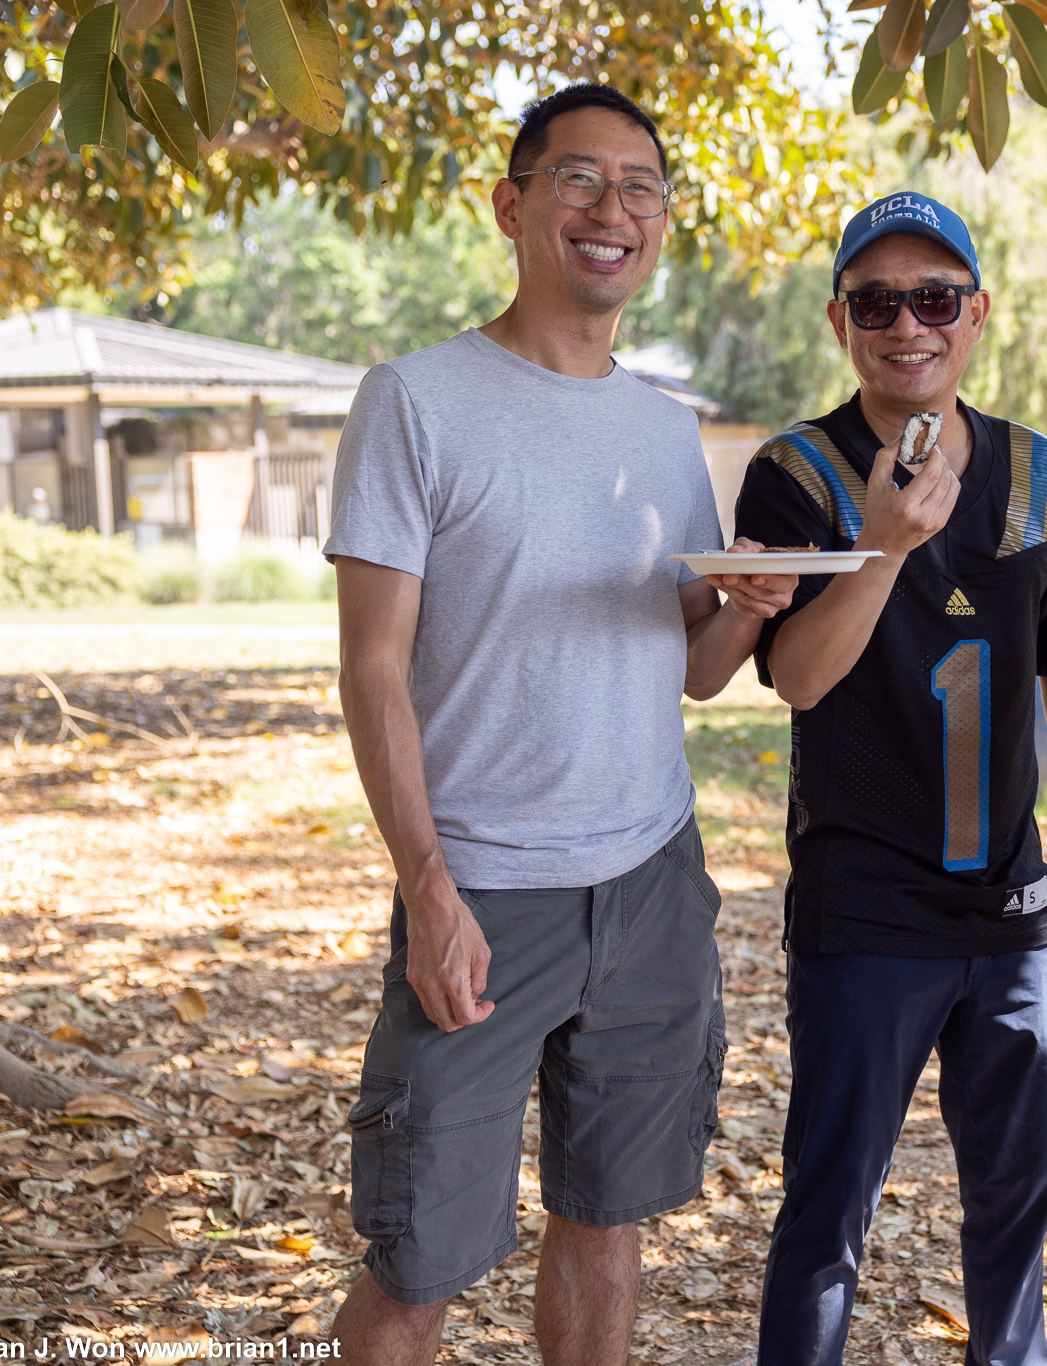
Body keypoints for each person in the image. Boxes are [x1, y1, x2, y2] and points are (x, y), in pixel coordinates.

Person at [321, 83, 796, 1366]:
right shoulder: (415, 400)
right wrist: (425, 885)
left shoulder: (663, 430)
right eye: (579, 180)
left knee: (606, 1220)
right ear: (511, 204)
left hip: (649, 885)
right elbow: (372, 669)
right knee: (419, 1257)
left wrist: (746, 606)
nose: (611, 211)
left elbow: (692, 671)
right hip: (480, 889)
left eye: (640, 188)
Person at [732, 191, 1047, 1366]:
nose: (908, 324)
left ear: (976, 314)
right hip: (864, 914)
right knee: (827, 1214)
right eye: (876, 301)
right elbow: (794, 677)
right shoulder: (795, 472)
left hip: (1009, 918)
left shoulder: (1036, 475)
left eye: (933, 298)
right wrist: (884, 545)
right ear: (840, 319)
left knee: (1014, 1208)